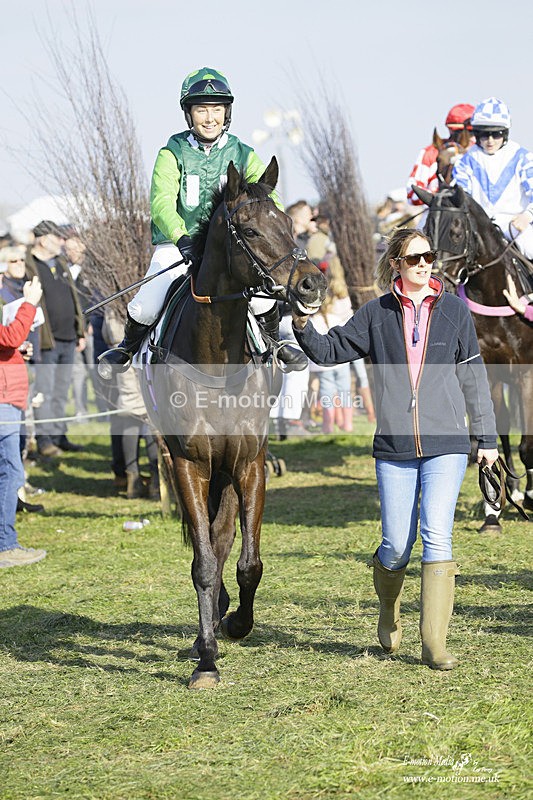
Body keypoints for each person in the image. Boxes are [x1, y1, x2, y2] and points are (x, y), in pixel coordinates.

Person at [292, 227, 498, 670]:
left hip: (447, 442)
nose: (425, 264)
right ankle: (388, 609)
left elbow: (474, 379)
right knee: (395, 546)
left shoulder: (456, 313)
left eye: (429, 256)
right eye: (415, 258)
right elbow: (330, 352)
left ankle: (433, 643)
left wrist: (487, 439)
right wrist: (301, 324)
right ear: (396, 265)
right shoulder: (375, 313)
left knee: (436, 535)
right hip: (394, 446)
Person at [99, 66, 307, 376]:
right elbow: (161, 202)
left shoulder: (244, 153)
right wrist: (182, 238)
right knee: (145, 305)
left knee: (263, 302)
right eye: (201, 109)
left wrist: (275, 227)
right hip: (178, 245)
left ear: (227, 112)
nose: (210, 117)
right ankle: (127, 349)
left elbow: (267, 200)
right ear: (189, 114)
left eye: (217, 109)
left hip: (229, 248)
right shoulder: (172, 152)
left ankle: (275, 345)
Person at [25, 220, 85, 457]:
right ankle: (45, 440)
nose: (62, 241)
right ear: (42, 239)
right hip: (46, 340)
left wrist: (79, 331)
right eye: (56, 237)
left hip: (68, 337)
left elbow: (73, 297)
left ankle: (59, 435)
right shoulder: (29, 265)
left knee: (62, 390)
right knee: (45, 391)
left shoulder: (60, 262)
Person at [0, 275, 47, 568]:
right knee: (11, 473)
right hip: (3, 401)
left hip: (10, 398)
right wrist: (29, 304)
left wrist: (17, 351)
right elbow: (11, 336)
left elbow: (8, 342)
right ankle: (5, 546)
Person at [453, 97, 533, 260]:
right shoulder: (464, 161)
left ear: (505, 133)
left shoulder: (523, 158)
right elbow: (462, 197)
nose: (489, 140)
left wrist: (528, 216)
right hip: (478, 228)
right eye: (483, 134)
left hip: (516, 225)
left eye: (496, 134)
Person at [406, 103, 475, 206]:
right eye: (455, 131)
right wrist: (439, 195)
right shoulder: (430, 152)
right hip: (436, 211)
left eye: (472, 132)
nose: (471, 138)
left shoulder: (480, 154)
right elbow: (412, 194)